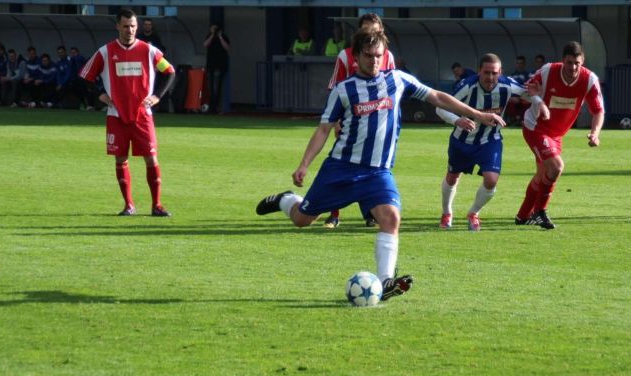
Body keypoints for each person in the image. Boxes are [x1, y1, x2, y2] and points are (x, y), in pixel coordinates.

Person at [255, 30, 505, 301]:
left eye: (379, 56)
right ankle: (285, 199)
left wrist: (478, 114)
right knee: (303, 219)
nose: (375, 61)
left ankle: (386, 282)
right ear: (357, 56)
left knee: (391, 218)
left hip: (378, 173)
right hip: (341, 168)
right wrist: (304, 164)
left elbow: (436, 96)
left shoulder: (397, 79)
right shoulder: (344, 90)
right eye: (369, 55)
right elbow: (324, 129)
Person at [79, 8, 176, 217]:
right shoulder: (105, 52)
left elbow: (169, 72)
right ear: (117, 26)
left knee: (151, 159)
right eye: (125, 26)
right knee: (120, 160)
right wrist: (99, 95)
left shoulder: (149, 51)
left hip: (143, 116)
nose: (130, 30)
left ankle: (157, 205)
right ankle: (128, 205)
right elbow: (85, 76)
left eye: (133, 26)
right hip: (116, 116)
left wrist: (157, 96)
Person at [514, 41, 604, 230]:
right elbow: (525, 91)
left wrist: (595, 133)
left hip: (555, 134)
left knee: (542, 175)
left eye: (576, 63)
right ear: (563, 60)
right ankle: (540, 211)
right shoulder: (548, 71)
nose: (572, 67)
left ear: (583, 62)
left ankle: (523, 216)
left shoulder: (589, 80)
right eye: (569, 62)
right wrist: (540, 102)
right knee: (556, 167)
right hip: (535, 128)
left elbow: (598, 110)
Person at [436, 53, 531, 231]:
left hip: (490, 140)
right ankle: (446, 212)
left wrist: (540, 103)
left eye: (494, 73)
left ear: (500, 72)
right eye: (486, 72)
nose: (490, 77)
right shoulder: (466, 86)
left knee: (491, 179)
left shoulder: (507, 84)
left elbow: (530, 93)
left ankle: (473, 213)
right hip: (462, 140)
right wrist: (457, 121)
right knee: (453, 176)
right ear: (479, 71)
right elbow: (440, 107)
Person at [324, 12, 396, 229]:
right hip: (351, 119)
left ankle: (371, 213)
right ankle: (334, 213)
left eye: (375, 30)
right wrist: (336, 121)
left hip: (378, 120)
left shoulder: (387, 56)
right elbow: (336, 87)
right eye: (366, 30)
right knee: (342, 164)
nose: (371, 34)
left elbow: (393, 88)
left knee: (374, 167)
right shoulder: (346, 56)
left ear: (381, 31)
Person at [203, 24, 230, 114]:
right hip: (211, 65)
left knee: (217, 87)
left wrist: (220, 36)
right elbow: (205, 44)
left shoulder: (224, 37)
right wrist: (212, 35)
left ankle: (217, 107)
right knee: (211, 88)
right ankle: (212, 107)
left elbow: (227, 48)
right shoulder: (209, 36)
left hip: (220, 65)